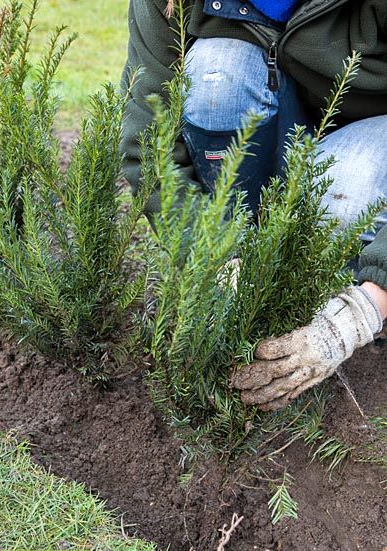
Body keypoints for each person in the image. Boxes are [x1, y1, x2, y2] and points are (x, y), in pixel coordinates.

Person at [120, 0, 387, 410]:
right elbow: (149, 146)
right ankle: (255, 261)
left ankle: (335, 283)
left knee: (347, 187)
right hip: (274, 141)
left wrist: (364, 309)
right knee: (214, 78)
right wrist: (213, 257)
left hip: (365, 145)